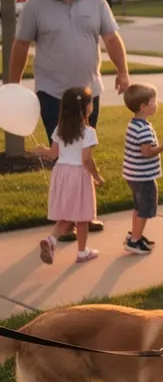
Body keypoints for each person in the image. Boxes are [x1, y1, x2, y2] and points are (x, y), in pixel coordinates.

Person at [10, 0, 131, 239]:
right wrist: (13, 85)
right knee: (65, 157)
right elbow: (20, 45)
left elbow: (112, 38)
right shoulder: (36, 8)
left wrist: (123, 71)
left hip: (90, 93)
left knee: (83, 153)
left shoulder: (96, 2)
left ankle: (83, 217)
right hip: (53, 94)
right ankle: (67, 220)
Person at [36, 87, 105, 265]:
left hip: (62, 173)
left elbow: (53, 153)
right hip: (78, 175)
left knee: (66, 214)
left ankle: (52, 240)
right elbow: (86, 159)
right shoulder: (88, 132)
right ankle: (82, 253)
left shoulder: (60, 129)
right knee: (82, 216)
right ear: (86, 107)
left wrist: (41, 150)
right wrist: (97, 177)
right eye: (90, 103)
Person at [122, 83, 163, 254]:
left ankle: (135, 235)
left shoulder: (134, 124)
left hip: (133, 175)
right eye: (154, 101)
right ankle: (135, 241)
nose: (157, 104)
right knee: (145, 208)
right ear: (144, 107)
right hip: (142, 177)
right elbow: (147, 152)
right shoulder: (143, 129)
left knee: (138, 206)